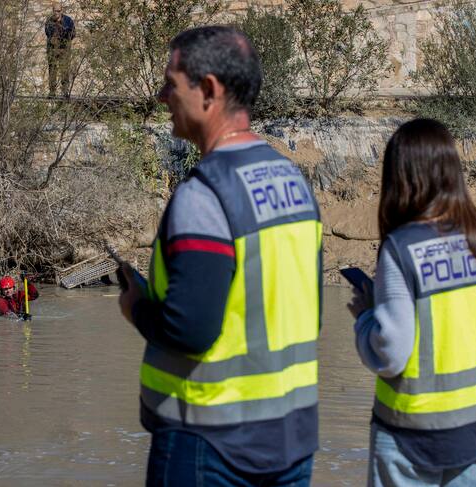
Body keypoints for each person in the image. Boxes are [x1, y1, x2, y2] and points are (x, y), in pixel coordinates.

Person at [118, 26, 323, 486]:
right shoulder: (293, 182)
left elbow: (189, 330)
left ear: (208, 90)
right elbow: (306, 314)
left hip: (207, 444)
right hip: (292, 438)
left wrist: (137, 308)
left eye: (171, 84)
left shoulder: (205, 194)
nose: (161, 97)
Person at [347, 118, 476, 486]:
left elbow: (391, 353)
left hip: (410, 433)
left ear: (400, 177)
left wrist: (367, 318)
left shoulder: (401, 248)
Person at [45, 2, 75, 98]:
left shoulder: (68, 20)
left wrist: (65, 33)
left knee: (64, 70)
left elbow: (73, 34)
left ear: (62, 10)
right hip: (52, 49)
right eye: (55, 11)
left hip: (64, 49)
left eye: (58, 11)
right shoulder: (49, 20)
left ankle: (65, 91)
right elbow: (48, 33)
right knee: (52, 71)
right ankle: (52, 92)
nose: (56, 13)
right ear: (52, 10)